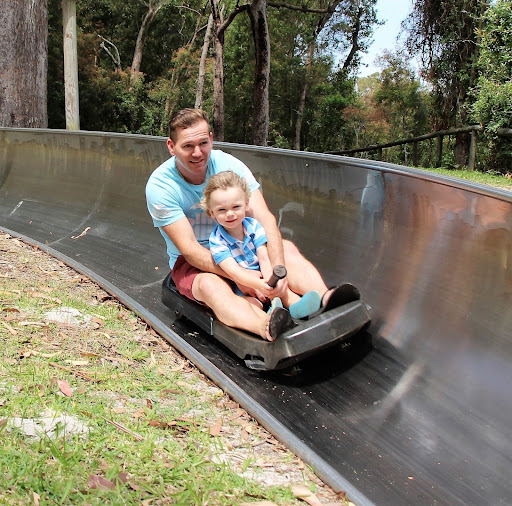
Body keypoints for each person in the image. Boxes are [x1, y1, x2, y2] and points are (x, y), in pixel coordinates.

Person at [145, 108, 354, 341]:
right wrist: (241, 277)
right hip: (200, 261)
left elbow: (265, 218)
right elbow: (191, 250)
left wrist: (277, 269)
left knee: (286, 249)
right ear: (171, 147)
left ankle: (326, 299)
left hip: (243, 243)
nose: (197, 153)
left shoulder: (229, 166)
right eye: (187, 146)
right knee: (211, 287)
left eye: (203, 143)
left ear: (211, 139)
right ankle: (266, 326)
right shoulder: (161, 187)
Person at [201, 170, 322, 319]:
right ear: (212, 213)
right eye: (222, 210)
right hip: (243, 284)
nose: (230, 214)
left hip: (264, 276)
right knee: (252, 304)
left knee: (284, 291)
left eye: (236, 207)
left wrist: (270, 282)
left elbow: (263, 257)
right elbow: (234, 272)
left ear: (246, 205)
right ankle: (269, 318)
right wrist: (258, 285)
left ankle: (299, 308)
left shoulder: (253, 226)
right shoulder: (217, 241)